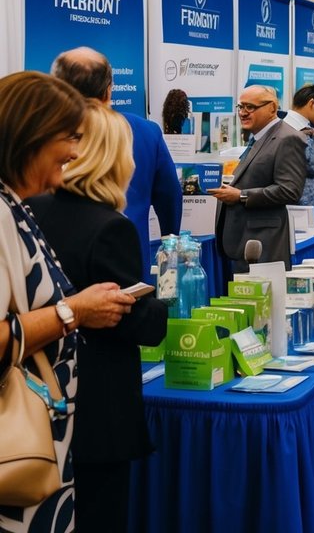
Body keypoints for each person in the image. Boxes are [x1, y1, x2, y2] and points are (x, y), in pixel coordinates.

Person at [0, 71, 135, 533]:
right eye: (70, 137)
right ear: (31, 135)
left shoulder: (19, 204)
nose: (77, 152)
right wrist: (73, 312)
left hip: (45, 450)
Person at [26, 100, 168, 533]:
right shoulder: (111, 227)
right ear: (116, 156)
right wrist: (161, 302)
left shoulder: (30, 209)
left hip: (38, 404)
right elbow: (126, 318)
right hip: (96, 410)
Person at [51, 47, 182, 269]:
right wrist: (170, 247)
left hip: (56, 267)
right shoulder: (145, 131)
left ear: (56, 88)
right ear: (109, 91)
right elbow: (170, 198)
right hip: (127, 264)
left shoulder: (42, 132)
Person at [209, 85, 308, 269]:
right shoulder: (259, 138)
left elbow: (289, 190)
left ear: (272, 108)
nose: (243, 113)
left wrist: (241, 196)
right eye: (240, 107)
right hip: (244, 244)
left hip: (264, 246)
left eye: (250, 107)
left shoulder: (287, 139)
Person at [283, 85, 314, 214]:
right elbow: (308, 170)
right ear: (312, 103)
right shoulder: (300, 133)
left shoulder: (283, 126)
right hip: (303, 208)